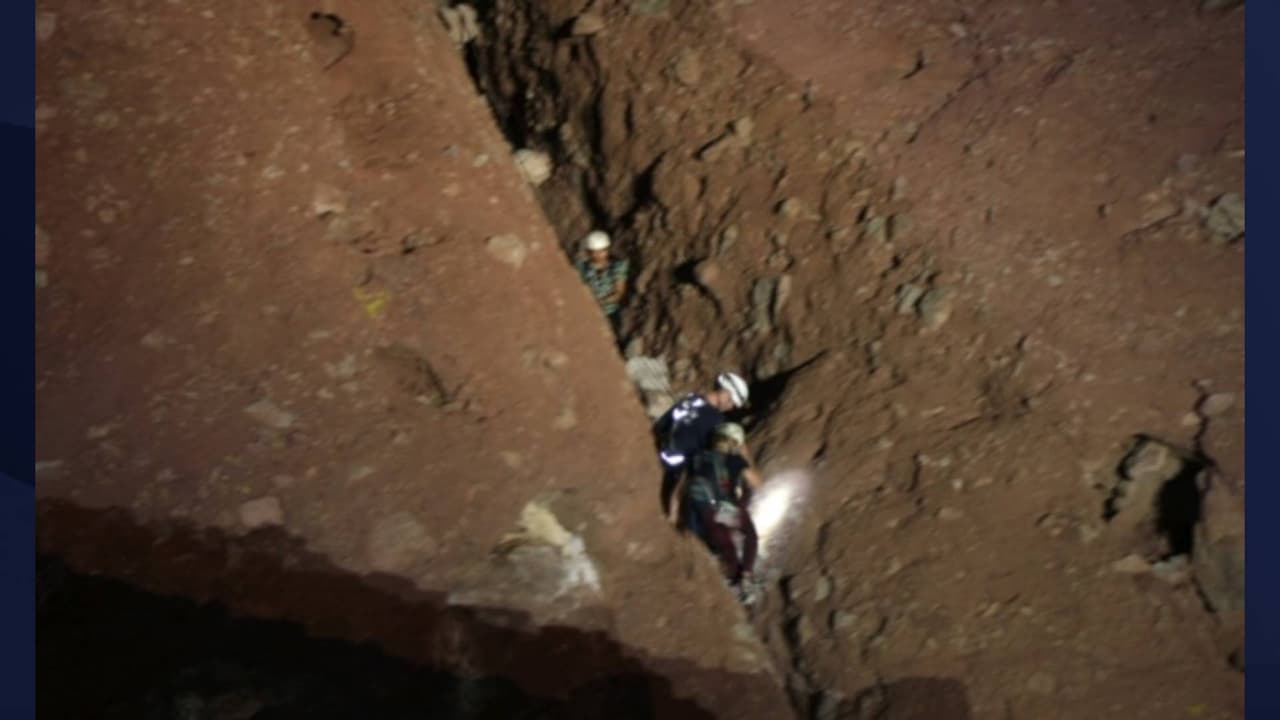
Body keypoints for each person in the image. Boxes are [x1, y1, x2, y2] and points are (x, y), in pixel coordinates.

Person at [671, 422, 764, 603]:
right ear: (735, 443)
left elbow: (678, 492)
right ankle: (746, 577)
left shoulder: (696, 458)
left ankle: (733, 581)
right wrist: (745, 456)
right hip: (725, 511)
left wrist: (673, 516)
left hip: (702, 515)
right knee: (750, 535)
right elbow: (758, 484)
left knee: (725, 545)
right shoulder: (735, 460)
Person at [653, 371, 750, 516]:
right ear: (724, 393)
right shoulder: (715, 420)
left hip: (662, 446)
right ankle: (674, 518)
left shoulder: (693, 398)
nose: (730, 407)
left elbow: (663, 423)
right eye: (731, 402)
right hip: (674, 464)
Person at [576, 230, 629, 338]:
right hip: (587, 313)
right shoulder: (582, 267)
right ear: (588, 252)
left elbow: (619, 292)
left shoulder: (617, 267)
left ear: (607, 250)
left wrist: (600, 302)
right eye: (594, 252)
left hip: (610, 313)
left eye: (601, 251)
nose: (598, 255)